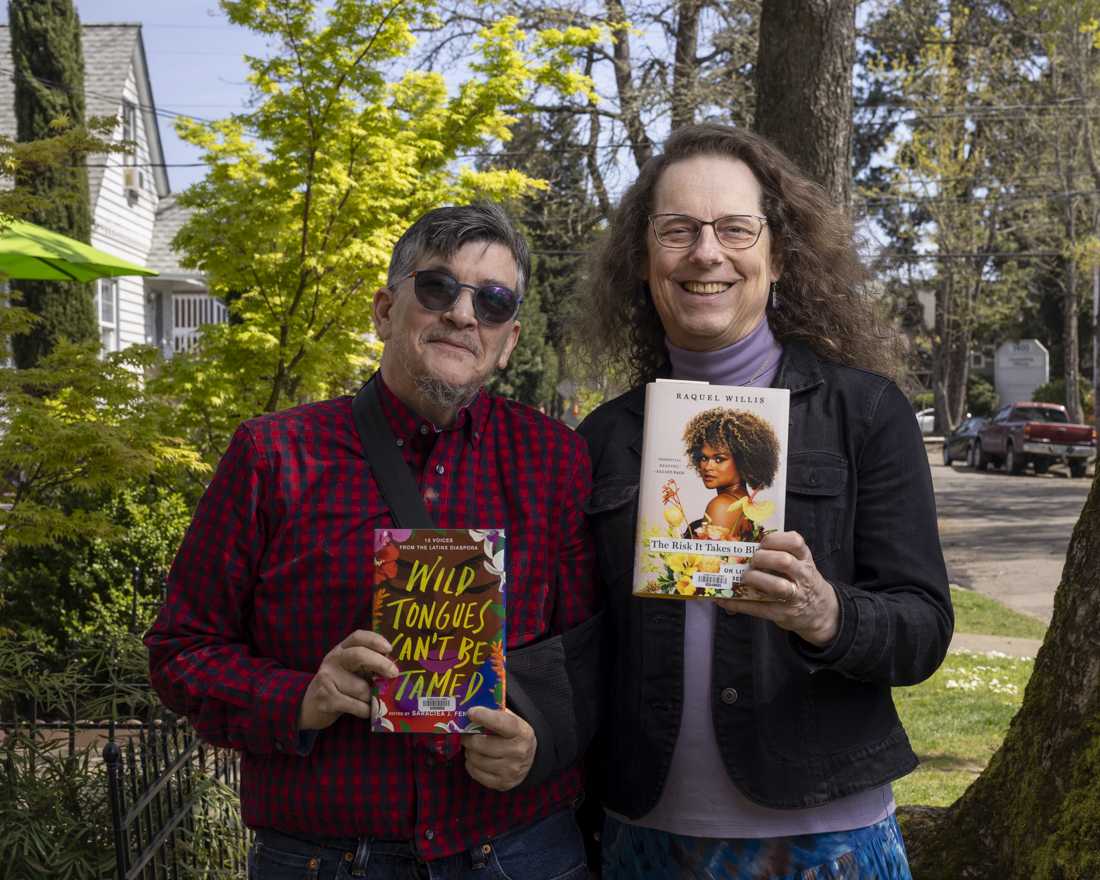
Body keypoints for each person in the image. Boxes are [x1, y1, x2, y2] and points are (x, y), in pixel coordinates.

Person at [146, 203, 597, 880]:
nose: (463, 315)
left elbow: (592, 654)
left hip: (515, 848)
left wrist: (542, 741)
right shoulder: (273, 456)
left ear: (509, 340)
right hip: (326, 857)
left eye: (493, 302)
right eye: (438, 288)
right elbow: (181, 650)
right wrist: (301, 696)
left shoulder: (556, 459)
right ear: (386, 310)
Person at [576, 123, 952, 878]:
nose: (706, 252)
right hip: (640, 839)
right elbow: (581, 647)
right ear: (644, 260)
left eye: (734, 228)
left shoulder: (865, 413)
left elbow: (924, 627)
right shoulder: (605, 437)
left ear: (777, 255)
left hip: (826, 842)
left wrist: (826, 614)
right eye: (676, 229)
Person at [681, 407, 780, 542]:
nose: (708, 467)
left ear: (742, 461)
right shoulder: (745, 504)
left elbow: (710, 562)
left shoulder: (722, 506)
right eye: (704, 458)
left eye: (719, 459)